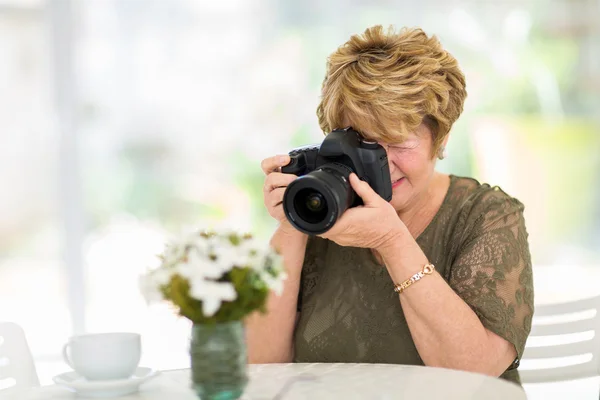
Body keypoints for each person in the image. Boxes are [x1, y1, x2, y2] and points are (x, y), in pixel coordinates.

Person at [245, 25, 534, 384]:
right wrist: (293, 221)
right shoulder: (323, 209)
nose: (381, 164)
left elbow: (473, 374)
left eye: (398, 142)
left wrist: (392, 241)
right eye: (363, 143)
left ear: (440, 139)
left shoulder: (487, 215)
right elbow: (260, 366)